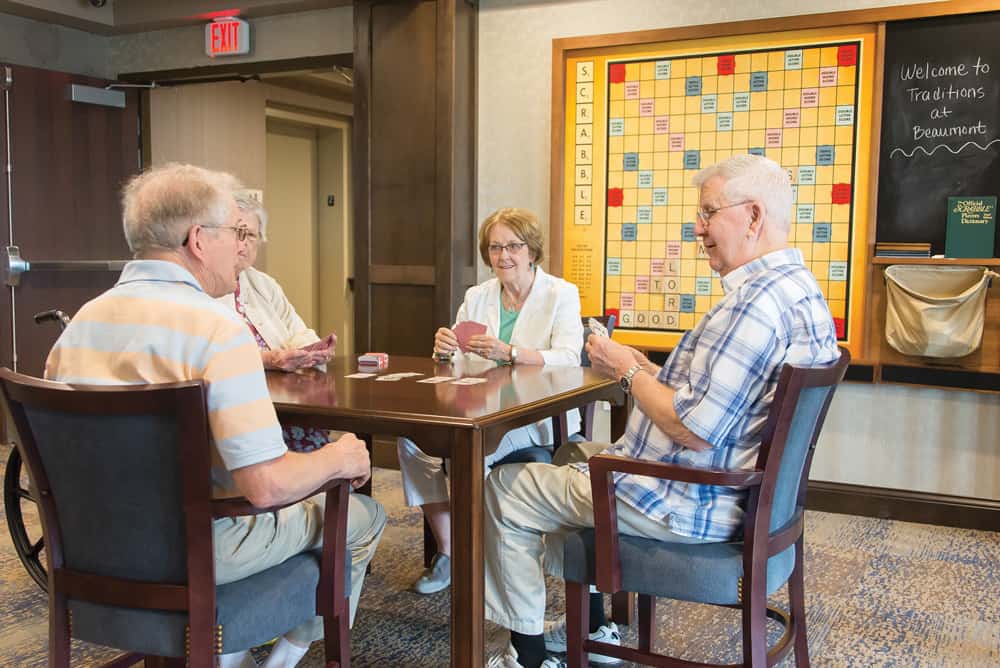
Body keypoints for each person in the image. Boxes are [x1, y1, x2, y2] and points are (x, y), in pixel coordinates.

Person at [483, 154, 840, 668]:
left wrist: (626, 374)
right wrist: (635, 363)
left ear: (754, 217)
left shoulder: (751, 308)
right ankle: (592, 624)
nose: (698, 228)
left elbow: (692, 428)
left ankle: (528, 653)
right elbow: (709, 397)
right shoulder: (799, 291)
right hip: (740, 492)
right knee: (570, 452)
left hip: (686, 500)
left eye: (709, 212)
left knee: (504, 487)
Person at [44, 164, 386, 668]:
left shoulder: (77, 329)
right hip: (197, 549)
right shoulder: (216, 329)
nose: (242, 248)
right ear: (198, 239)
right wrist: (341, 456)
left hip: (89, 548)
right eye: (234, 232)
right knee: (364, 516)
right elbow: (266, 487)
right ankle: (276, 660)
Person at [397, 207, 584, 594]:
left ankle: (489, 554)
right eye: (495, 247)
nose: (504, 256)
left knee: (469, 448)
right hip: (477, 406)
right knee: (412, 442)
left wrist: (511, 352)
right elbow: (459, 361)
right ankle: (452, 550)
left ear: (531, 250)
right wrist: (444, 349)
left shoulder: (560, 294)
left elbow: (568, 357)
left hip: (534, 416)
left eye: (513, 246)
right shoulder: (478, 295)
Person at [219, 192, 337, 452]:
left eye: (250, 235)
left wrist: (311, 350)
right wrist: (269, 359)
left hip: (288, 401)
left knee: (340, 450)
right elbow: (215, 359)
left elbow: (298, 330)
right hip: (243, 414)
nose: (243, 244)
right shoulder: (205, 290)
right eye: (236, 233)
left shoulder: (263, 284)